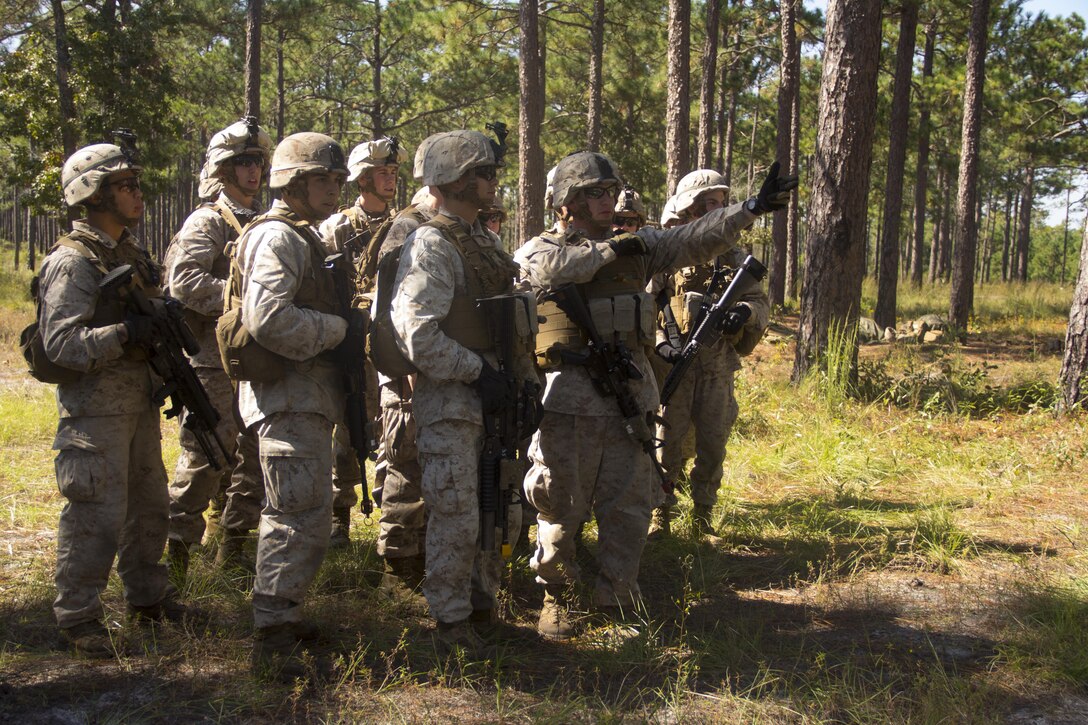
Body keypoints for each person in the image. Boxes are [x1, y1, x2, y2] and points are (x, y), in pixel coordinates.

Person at [514, 151, 796, 640]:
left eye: (611, 191)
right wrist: (611, 251)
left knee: (629, 504)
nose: (610, 200)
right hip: (567, 402)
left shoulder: (641, 247)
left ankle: (617, 595)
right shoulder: (540, 248)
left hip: (630, 396)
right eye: (596, 193)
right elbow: (550, 272)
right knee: (561, 500)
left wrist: (749, 208)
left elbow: (695, 237)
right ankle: (555, 596)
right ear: (567, 203)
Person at [390, 130, 537, 655]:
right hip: (453, 404)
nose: (495, 181)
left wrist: (525, 385)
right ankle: (449, 625)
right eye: (487, 173)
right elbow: (417, 333)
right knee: (455, 515)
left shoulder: (486, 242)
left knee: (499, 506)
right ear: (459, 180)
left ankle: (482, 608)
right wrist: (477, 373)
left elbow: (512, 323)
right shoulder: (431, 243)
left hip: (495, 401)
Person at [43, 143, 192, 656]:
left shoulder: (132, 253)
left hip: (140, 403)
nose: (138, 195)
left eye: (136, 184)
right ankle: (79, 616)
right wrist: (125, 332)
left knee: (150, 508)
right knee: (96, 515)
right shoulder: (73, 261)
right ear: (93, 193)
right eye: (125, 186)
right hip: (96, 410)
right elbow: (60, 344)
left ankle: (148, 599)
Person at [231, 132, 357, 676]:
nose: (333, 189)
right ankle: (271, 633)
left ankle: (281, 616)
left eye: (334, 180)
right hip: (287, 395)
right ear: (295, 182)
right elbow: (269, 319)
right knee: (292, 513)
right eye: (322, 179)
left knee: (303, 511)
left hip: (304, 394)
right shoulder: (278, 238)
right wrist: (338, 329)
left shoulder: (303, 236)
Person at [162, 118, 272, 574]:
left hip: (256, 359)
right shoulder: (207, 220)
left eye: (257, 162)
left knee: (253, 459)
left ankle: (233, 549)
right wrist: (244, 300)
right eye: (242, 163)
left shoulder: (264, 221)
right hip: (211, 360)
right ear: (223, 170)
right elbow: (183, 283)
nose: (253, 171)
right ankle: (176, 555)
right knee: (206, 455)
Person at [650, 169, 771, 537]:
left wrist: (743, 314)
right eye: (710, 204)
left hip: (717, 364)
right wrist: (662, 343)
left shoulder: (733, 258)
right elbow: (646, 303)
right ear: (690, 208)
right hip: (675, 366)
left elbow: (760, 304)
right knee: (666, 444)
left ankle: (703, 515)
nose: (717, 210)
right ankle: (662, 515)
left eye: (721, 204)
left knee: (713, 442)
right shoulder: (670, 252)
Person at [320, 137, 408, 547]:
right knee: (345, 428)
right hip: (350, 341)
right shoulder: (337, 227)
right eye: (381, 173)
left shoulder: (404, 225)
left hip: (388, 341)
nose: (389, 179)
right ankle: (339, 515)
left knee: (391, 428)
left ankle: (390, 510)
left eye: (392, 173)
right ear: (362, 179)